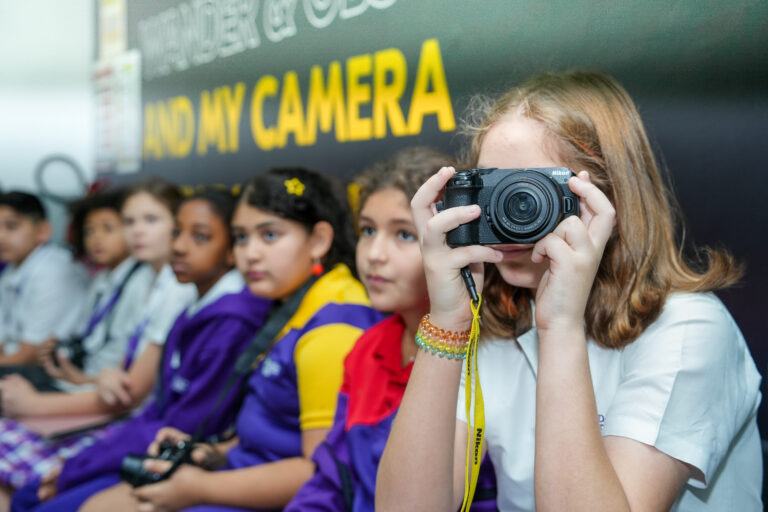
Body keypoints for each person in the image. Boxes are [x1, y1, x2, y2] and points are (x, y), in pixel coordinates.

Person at [377, 70, 762, 511]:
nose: (512, 216)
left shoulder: (687, 329)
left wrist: (559, 326)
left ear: (610, 194)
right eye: (496, 191)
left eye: (534, 190)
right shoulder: (497, 323)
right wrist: (448, 322)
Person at [78, 167, 383, 512]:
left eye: (269, 236)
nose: (250, 253)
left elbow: (321, 473)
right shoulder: (288, 301)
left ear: (318, 241)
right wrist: (212, 453)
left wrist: (201, 487)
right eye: (241, 237)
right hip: (244, 468)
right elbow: (274, 428)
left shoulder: (332, 327)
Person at [9, 189, 271, 512]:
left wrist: (77, 468)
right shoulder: (191, 303)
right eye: (177, 232)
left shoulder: (232, 321)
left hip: (177, 456)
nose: (178, 246)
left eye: (199, 237)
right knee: (30, 494)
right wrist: (79, 464)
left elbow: (179, 424)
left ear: (232, 250)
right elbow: (156, 409)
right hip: (146, 439)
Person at [284, 148, 498, 512]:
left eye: (404, 235)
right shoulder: (368, 347)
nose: (374, 254)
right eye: (368, 230)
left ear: (458, 242)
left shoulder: (487, 358)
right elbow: (332, 480)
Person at [0, 184, 197, 498]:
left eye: (150, 220)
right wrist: (87, 377)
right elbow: (121, 377)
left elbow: (130, 395)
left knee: (30, 482)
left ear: (178, 225)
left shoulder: (176, 288)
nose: (137, 232)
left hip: (135, 421)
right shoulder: (150, 279)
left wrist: (36, 405)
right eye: (130, 222)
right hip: (117, 408)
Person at [0, 191, 88, 371]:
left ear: (43, 230)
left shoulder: (54, 271)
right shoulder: (12, 269)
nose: (1, 236)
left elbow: (30, 355)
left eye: (11, 226)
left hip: (51, 372)